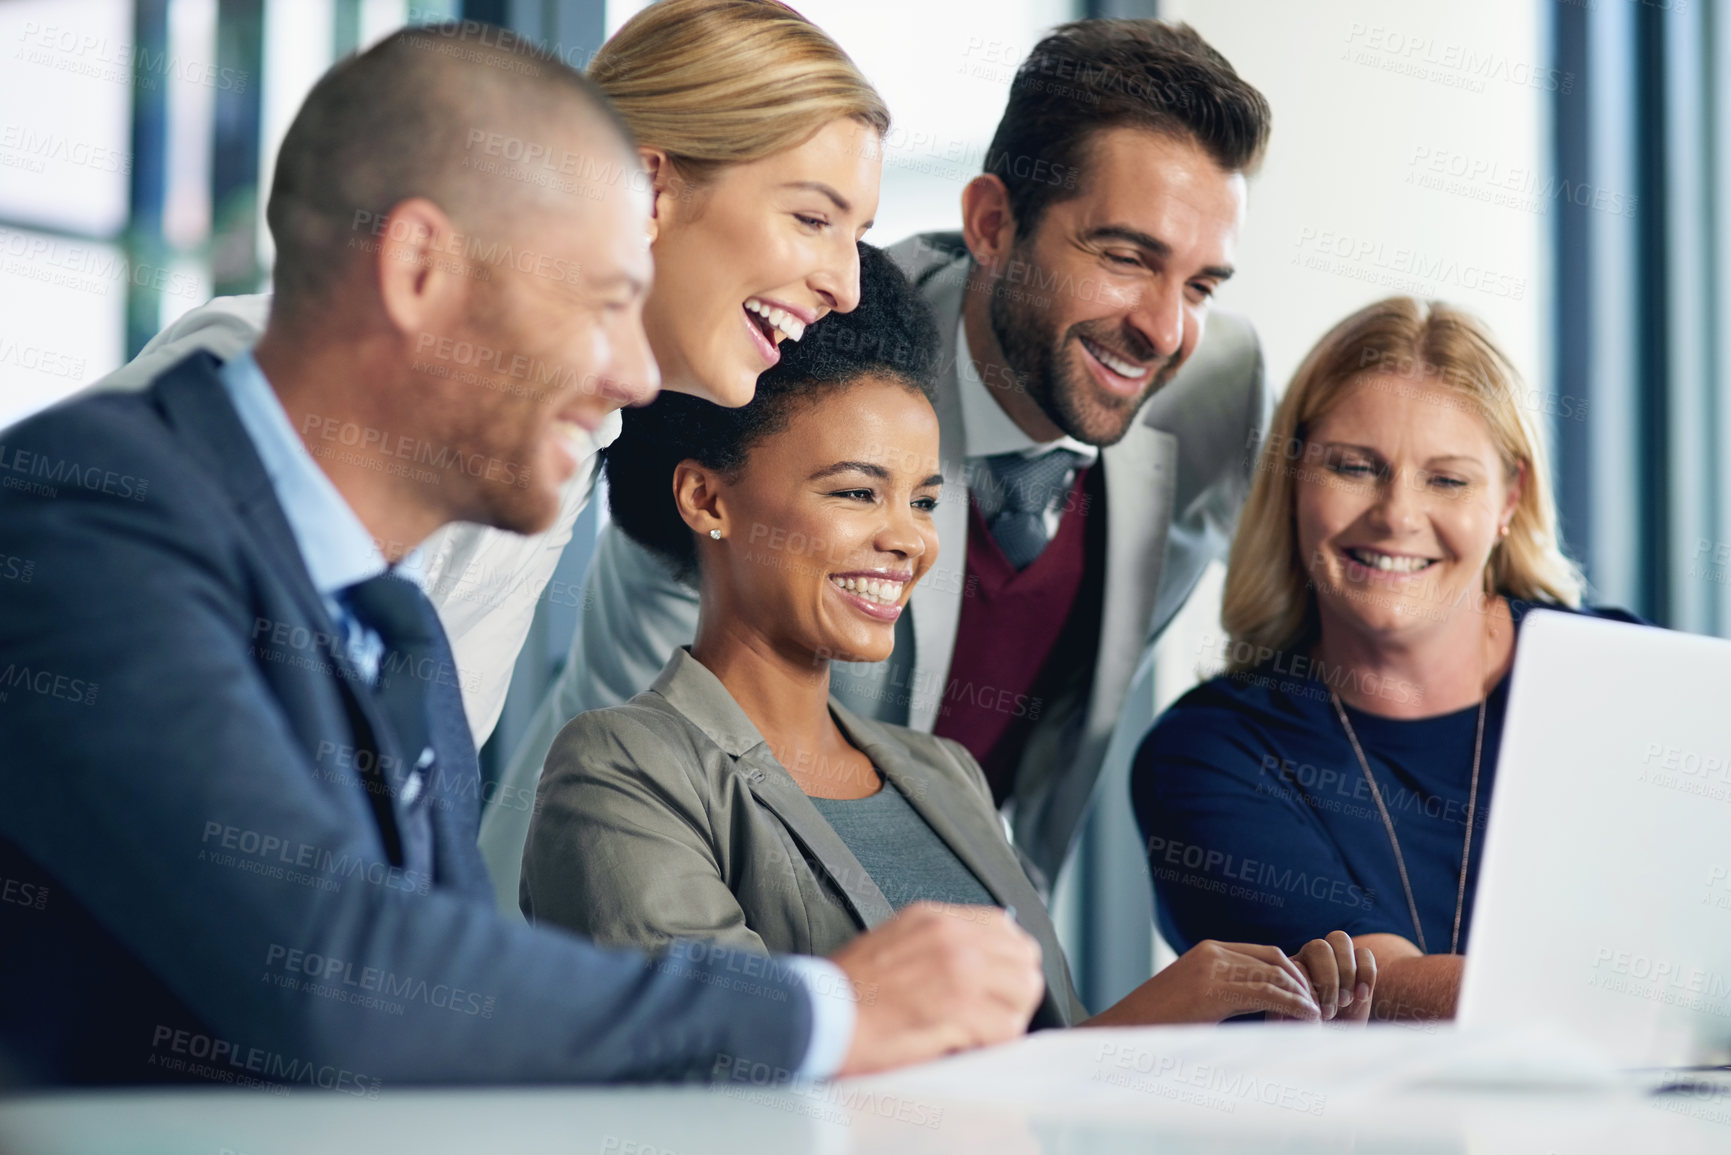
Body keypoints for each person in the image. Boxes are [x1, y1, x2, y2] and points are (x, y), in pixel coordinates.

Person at [0, 25, 1042, 1087]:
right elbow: (337, 970)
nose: (633, 379)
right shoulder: (98, 502)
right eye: (602, 303)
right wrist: (824, 1011)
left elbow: (424, 969)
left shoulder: (407, 626)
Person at [490, 18, 1276, 899]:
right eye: (1126, 257)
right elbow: (627, 759)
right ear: (988, 223)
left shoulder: (1214, 387)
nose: (1165, 328)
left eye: (1202, 284)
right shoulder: (772, 364)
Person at [523, 244, 1378, 1028]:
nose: (909, 539)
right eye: (857, 493)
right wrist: (1142, 1024)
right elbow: (732, 1076)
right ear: (707, 500)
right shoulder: (621, 768)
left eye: (925, 499)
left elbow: (1048, 1064)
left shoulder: (945, 775)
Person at [87, 0, 887, 770]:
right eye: (813, 220)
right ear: (649, 190)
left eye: (858, 236)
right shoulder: (254, 373)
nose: (847, 289)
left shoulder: (566, 462)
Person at [1129, 297, 1639, 1021]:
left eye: (1447, 479)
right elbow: (1378, 995)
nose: (1397, 514)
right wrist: (1644, 1003)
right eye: (1354, 467)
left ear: (1508, 499)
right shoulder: (1209, 754)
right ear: (1294, 477)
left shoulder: (1622, 678)